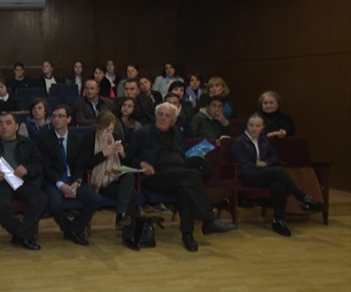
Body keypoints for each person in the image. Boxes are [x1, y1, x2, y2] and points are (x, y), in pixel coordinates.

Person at [127, 102, 237, 252]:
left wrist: (195, 157)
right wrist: (141, 163)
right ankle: (209, 220)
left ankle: (188, 235)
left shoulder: (177, 133)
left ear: (174, 120)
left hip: (179, 173)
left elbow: (184, 154)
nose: (162, 118)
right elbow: (127, 157)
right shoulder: (143, 133)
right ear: (155, 116)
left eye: (167, 116)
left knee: (185, 188)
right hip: (155, 175)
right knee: (192, 176)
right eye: (160, 114)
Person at [232, 113, 326, 236]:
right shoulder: (239, 141)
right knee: (278, 171)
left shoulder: (263, 140)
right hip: (246, 175)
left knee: (279, 186)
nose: (254, 128)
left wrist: (266, 162)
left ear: (263, 127)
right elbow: (240, 162)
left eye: (257, 126)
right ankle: (303, 199)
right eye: (251, 125)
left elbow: (274, 156)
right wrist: (256, 164)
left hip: (262, 174)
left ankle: (279, 221)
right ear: (246, 126)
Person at [0, 112, 47, 250]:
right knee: (0, 206)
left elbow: (39, 164)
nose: (4, 127)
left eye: (8, 123)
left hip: (23, 182)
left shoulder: (28, 143)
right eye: (0, 124)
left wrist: (27, 169)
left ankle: (21, 235)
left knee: (40, 199)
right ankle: (23, 235)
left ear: (16, 126)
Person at [37, 105, 103, 246]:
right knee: (55, 204)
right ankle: (70, 230)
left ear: (69, 119)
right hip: (53, 181)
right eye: (54, 116)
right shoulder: (43, 139)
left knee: (95, 199)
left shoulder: (78, 139)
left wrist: (77, 182)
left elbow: (80, 165)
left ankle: (73, 229)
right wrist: (60, 184)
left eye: (60, 116)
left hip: (73, 179)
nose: (56, 119)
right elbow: (45, 167)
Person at [83, 110, 140, 250]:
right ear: (98, 127)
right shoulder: (89, 140)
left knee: (129, 176)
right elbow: (84, 164)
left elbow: (129, 162)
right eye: (106, 130)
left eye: (111, 130)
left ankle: (121, 214)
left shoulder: (118, 138)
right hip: (99, 181)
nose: (108, 133)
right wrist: (103, 154)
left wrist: (123, 153)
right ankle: (128, 234)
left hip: (116, 177)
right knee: (132, 194)